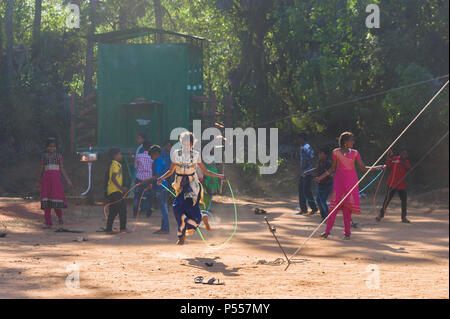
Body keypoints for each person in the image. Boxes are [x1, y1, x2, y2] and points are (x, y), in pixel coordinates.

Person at [157, 132, 227, 245]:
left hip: (192, 186)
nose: (186, 145)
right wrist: (161, 178)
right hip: (180, 185)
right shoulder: (176, 154)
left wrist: (220, 176)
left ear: (192, 143)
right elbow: (170, 171)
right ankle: (198, 221)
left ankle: (182, 236)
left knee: (183, 208)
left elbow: (205, 171)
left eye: (188, 143)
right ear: (181, 142)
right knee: (177, 209)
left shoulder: (196, 154)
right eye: (184, 142)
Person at [316, 132, 384, 240]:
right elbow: (332, 169)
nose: (353, 142)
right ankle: (327, 231)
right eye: (351, 140)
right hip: (339, 182)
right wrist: (321, 177)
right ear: (345, 142)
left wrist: (378, 167)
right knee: (333, 207)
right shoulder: (336, 152)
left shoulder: (355, 153)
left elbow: (364, 168)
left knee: (347, 208)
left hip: (351, 182)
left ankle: (347, 233)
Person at [35, 138, 73, 228]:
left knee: (56, 200)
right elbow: (41, 170)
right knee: (46, 201)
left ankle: (60, 217)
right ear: (47, 147)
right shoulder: (44, 156)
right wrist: (38, 181)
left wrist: (68, 180)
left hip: (56, 181)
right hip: (46, 181)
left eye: (53, 146)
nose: (52, 148)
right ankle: (48, 223)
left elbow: (62, 169)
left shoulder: (59, 156)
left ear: (56, 148)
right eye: (50, 146)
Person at [376, 148, 411, 223]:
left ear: (407, 155)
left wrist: (401, 162)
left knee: (404, 201)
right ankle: (380, 215)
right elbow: (388, 164)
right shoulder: (394, 159)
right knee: (387, 200)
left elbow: (408, 168)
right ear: (400, 153)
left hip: (401, 185)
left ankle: (403, 217)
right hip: (391, 184)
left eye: (405, 154)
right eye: (403, 153)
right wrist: (388, 156)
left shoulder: (406, 162)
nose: (404, 155)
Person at [304, 147, 333, 220]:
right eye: (319, 153)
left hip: (327, 184)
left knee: (322, 200)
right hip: (321, 184)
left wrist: (321, 177)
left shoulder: (328, 163)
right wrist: (310, 171)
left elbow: (330, 173)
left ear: (325, 154)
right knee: (318, 201)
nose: (319, 154)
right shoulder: (320, 161)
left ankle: (327, 217)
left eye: (321, 153)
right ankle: (324, 217)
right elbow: (317, 169)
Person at [105, 148, 129, 234]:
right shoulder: (115, 164)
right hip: (115, 191)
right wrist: (121, 188)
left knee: (118, 210)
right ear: (115, 156)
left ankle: (116, 228)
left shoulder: (116, 164)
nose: (121, 156)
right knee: (118, 210)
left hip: (115, 191)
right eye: (119, 154)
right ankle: (116, 229)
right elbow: (113, 178)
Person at [148, 145, 170, 234]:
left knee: (163, 208)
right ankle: (164, 228)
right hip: (162, 186)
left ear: (156, 154)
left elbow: (157, 175)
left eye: (152, 156)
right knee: (163, 207)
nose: (151, 158)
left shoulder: (158, 162)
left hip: (160, 187)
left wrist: (147, 180)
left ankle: (165, 229)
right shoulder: (161, 161)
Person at [297, 132, 318, 215]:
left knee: (306, 191)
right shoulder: (304, 146)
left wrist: (300, 170)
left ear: (302, 138)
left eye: (299, 138)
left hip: (307, 173)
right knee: (302, 190)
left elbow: (306, 160)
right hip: (304, 173)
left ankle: (314, 208)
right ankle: (304, 209)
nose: (298, 140)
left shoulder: (305, 147)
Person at [133, 141, 153, 218]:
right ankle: (148, 213)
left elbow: (136, 167)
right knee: (149, 196)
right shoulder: (152, 157)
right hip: (149, 179)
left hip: (139, 178)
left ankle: (135, 213)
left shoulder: (138, 156)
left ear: (143, 147)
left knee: (137, 196)